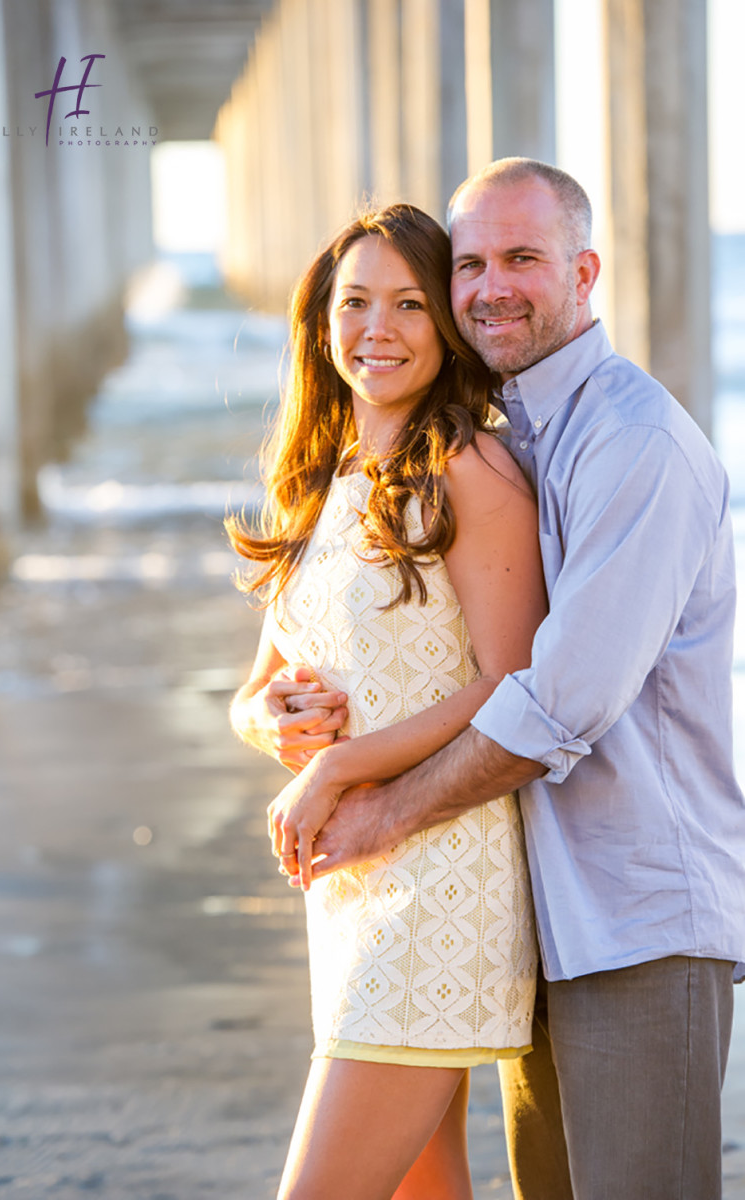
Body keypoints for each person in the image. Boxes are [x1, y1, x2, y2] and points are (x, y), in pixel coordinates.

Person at [257, 158, 745, 1200]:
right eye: (471, 263)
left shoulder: (636, 444)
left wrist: (375, 800)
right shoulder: (504, 428)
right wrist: (282, 720)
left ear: (585, 269)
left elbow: (551, 698)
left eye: (522, 258)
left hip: (635, 913)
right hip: (538, 904)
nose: (492, 286)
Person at [227, 202, 547, 1199]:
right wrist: (273, 721)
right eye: (356, 301)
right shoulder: (321, 480)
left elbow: (512, 680)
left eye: (410, 303)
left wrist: (337, 763)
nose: (380, 327)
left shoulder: (472, 469)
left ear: (445, 324)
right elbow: (254, 689)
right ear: (321, 322)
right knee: (423, 1189)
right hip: (351, 891)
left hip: (442, 879)